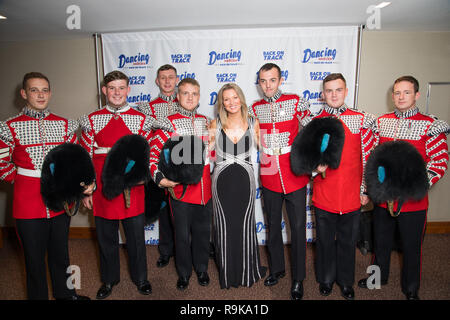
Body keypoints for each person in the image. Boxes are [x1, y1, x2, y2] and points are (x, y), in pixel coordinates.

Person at [0, 72, 91, 300]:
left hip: (60, 201)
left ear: (50, 93)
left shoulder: (64, 125)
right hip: (28, 204)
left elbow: (75, 161)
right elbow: (1, 163)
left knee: (61, 253)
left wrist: (80, 186)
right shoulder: (8, 127)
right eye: (34, 90)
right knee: (34, 259)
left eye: (44, 90)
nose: (40, 95)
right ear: (24, 93)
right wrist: (23, 180)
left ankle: (67, 294)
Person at [358, 75, 449, 300]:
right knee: (380, 242)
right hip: (383, 197)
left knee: (411, 246)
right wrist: (370, 189)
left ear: (416, 95)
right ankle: (377, 278)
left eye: (406, 92)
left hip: (412, 202)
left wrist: (411, 188)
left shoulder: (431, 125)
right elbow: (371, 159)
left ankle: (411, 288)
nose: (401, 97)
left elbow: (439, 163)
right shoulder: (380, 122)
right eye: (397, 92)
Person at [79, 70, 155, 299]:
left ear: (128, 90)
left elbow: (148, 154)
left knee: (136, 238)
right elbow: (85, 156)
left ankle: (141, 278)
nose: (117, 92)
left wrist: (142, 176)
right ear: (104, 91)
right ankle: (109, 280)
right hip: (102, 188)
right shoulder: (91, 119)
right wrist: (86, 190)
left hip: (132, 186)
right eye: (112, 88)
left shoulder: (142, 119)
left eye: (121, 88)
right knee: (106, 238)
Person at [312, 73, 376, 300]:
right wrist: (314, 168)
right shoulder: (315, 121)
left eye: (338, 90)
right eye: (329, 91)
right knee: (325, 242)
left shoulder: (362, 119)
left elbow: (368, 156)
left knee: (348, 242)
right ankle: (326, 279)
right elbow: (307, 156)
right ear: (323, 94)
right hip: (324, 193)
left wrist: (365, 189)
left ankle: (346, 282)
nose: (333, 94)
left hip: (351, 194)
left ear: (346, 91)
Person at [250, 63, 310, 300]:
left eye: (272, 80)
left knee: (297, 228)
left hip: (293, 173)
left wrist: (312, 162)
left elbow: (311, 131)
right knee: (273, 226)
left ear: (280, 80)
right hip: (269, 174)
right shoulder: (254, 107)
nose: (267, 86)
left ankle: (298, 279)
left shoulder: (296, 101)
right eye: (263, 81)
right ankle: (276, 269)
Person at [150, 77, 212, 291]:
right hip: (180, 191)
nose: (190, 97)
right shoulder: (168, 122)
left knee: (203, 232)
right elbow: (153, 155)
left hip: (204, 189)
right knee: (182, 235)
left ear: (199, 96)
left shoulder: (207, 121)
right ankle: (184, 273)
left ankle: (202, 268)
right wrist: (160, 179)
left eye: (194, 93)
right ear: (177, 96)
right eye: (185, 93)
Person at [209, 83, 267, 289]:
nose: (231, 102)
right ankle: (228, 274)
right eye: (227, 99)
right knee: (224, 226)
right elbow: (203, 154)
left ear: (241, 99)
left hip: (245, 181)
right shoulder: (214, 124)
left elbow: (268, 149)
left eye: (235, 97)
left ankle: (247, 272)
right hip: (222, 182)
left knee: (244, 224)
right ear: (222, 103)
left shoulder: (253, 122)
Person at [137, 64, 179, 268]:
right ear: (157, 81)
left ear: (177, 79)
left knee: (181, 209)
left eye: (171, 77)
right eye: (163, 78)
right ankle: (165, 251)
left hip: (181, 164)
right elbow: (145, 138)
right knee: (162, 208)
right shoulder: (148, 107)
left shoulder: (186, 104)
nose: (168, 81)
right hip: (158, 165)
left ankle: (184, 249)